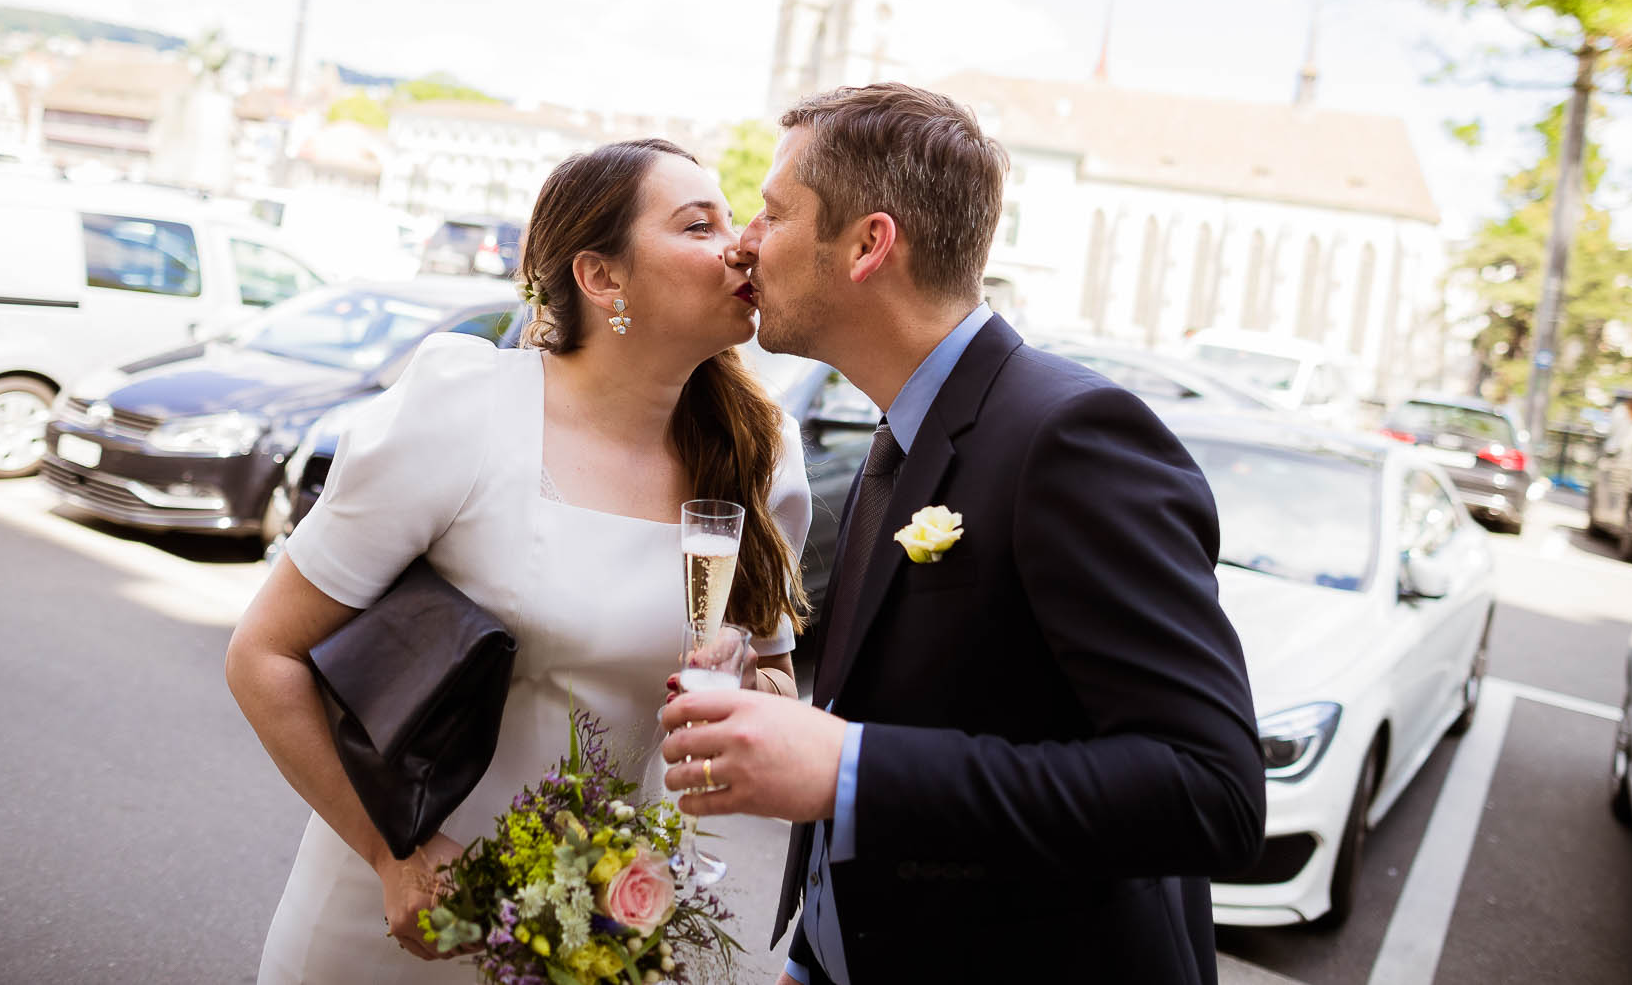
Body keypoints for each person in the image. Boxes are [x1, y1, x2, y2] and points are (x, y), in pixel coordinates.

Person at [660, 84, 1266, 983]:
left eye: (774, 211)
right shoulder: (905, 425)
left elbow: (1208, 791)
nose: (746, 239)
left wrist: (848, 764)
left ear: (869, 244)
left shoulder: (1072, 436)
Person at [227, 139, 813, 982]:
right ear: (602, 278)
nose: (742, 243)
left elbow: (772, 684)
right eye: (698, 224)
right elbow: (263, 655)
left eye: (736, 219)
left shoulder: (762, 456)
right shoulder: (466, 410)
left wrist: (741, 695)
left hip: (595, 922)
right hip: (400, 921)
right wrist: (397, 858)